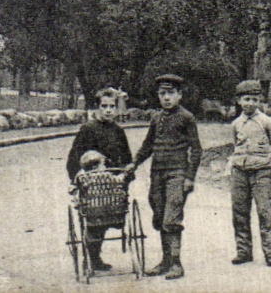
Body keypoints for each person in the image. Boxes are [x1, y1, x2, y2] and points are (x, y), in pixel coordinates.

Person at [127, 73, 202, 280]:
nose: (166, 98)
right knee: (159, 217)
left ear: (179, 95)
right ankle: (165, 261)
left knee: (172, 218)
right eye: (162, 94)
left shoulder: (187, 118)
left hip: (177, 174)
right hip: (157, 174)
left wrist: (190, 177)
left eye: (170, 93)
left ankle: (177, 264)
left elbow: (196, 150)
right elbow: (147, 145)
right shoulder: (156, 118)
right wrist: (134, 163)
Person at [66, 88, 133, 273]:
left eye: (112, 106)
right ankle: (93, 257)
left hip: (113, 184)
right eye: (104, 106)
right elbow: (74, 157)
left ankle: (95, 256)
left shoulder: (118, 131)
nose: (109, 110)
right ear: (97, 108)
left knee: (111, 212)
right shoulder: (88, 129)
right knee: (95, 218)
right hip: (93, 184)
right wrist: (77, 177)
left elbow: (127, 157)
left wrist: (127, 172)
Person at [228, 80, 271, 267]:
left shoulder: (267, 122)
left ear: (260, 100)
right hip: (240, 172)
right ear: (239, 101)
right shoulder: (236, 124)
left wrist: (263, 160)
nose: (250, 103)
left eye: (254, 99)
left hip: (261, 173)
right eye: (246, 99)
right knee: (239, 212)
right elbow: (235, 145)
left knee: (264, 212)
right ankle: (243, 251)